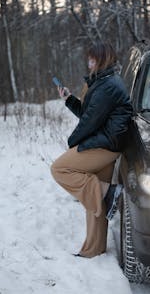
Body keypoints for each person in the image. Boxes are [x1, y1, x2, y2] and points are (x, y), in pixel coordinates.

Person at [50, 41, 133, 258]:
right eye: (89, 58)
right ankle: (94, 249)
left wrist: (72, 144)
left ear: (102, 59)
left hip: (106, 144)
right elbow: (90, 114)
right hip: (106, 141)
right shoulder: (103, 82)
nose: (89, 62)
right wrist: (69, 99)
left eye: (92, 59)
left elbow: (89, 123)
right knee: (93, 195)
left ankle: (111, 192)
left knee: (60, 169)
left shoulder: (108, 86)